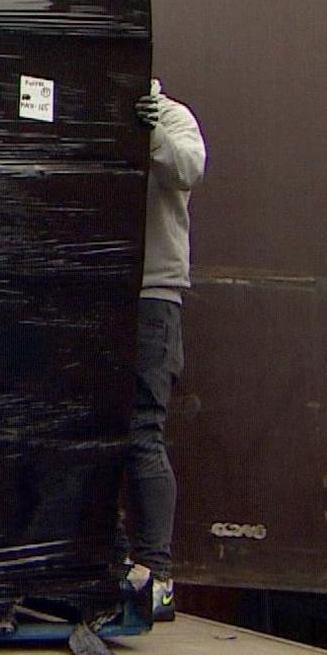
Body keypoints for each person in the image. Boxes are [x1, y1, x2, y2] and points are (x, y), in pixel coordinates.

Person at [126, 78, 205, 621]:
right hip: (94, 293)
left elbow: (188, 169)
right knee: (90, 436)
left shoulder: (172, 116)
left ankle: (157, 573)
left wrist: (150, 127)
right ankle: (100, 563)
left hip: (153, 296)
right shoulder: (96, 108)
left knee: (143, 433)